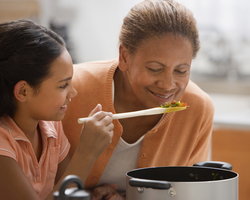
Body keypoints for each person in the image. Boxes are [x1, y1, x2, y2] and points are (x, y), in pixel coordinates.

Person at [62, 0, 215, 199]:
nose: (168, 84)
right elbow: (38, 185)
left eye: (181, 70)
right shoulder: (71, 90)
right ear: (124, 57)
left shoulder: (198, 108)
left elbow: (190, 193)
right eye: (154, 69)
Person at [0, 19, 114, 200]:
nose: (73, 93)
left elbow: (68, 192)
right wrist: (86, 153)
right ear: (23, 91)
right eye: (63, 86)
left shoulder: (50, 128)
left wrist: (94, 195)